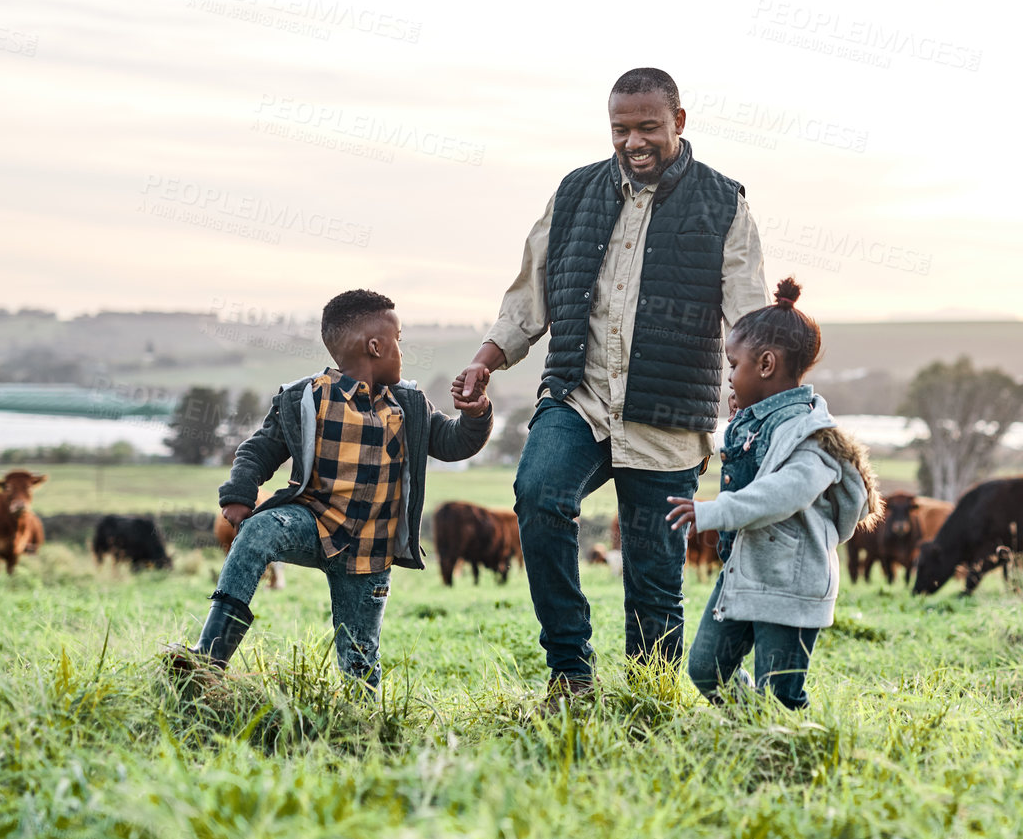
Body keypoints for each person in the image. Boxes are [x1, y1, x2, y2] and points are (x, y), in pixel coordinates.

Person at [452, 67, 767, 696]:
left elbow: (748, 310)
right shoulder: (574, 193)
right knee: (539, 494)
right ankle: (570, 672)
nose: (633, 141)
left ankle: (649, 700)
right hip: (579, 395)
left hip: (668, 414)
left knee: (655, 582)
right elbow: (530, 294)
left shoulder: (724, 202)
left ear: (679, 120)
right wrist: (486, 360)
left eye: (648, 126)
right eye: (620, 128)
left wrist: (751, 384)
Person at [167, 289, 492, 689]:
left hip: (371, 553)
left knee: (359, 661)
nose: (402, 351)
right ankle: (209, 659)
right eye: (399, 341)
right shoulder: (306, 397)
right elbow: (260, 448)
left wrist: (476, 415)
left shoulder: (409, 404)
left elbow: (455, 443)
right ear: (375, 346)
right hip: (313, 525)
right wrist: (239, 493)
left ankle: (362, 724)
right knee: (257, 531)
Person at [666, 279, 882, 709]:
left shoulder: (811, 438)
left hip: (790, 585)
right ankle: (754, 726)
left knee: (781, 692)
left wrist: (715, 511)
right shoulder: (754, 423)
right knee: (707, 670)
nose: (729, 376)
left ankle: (782, 745)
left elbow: (782, 494)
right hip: (744, 574)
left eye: (733, 364)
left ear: (765, 364)